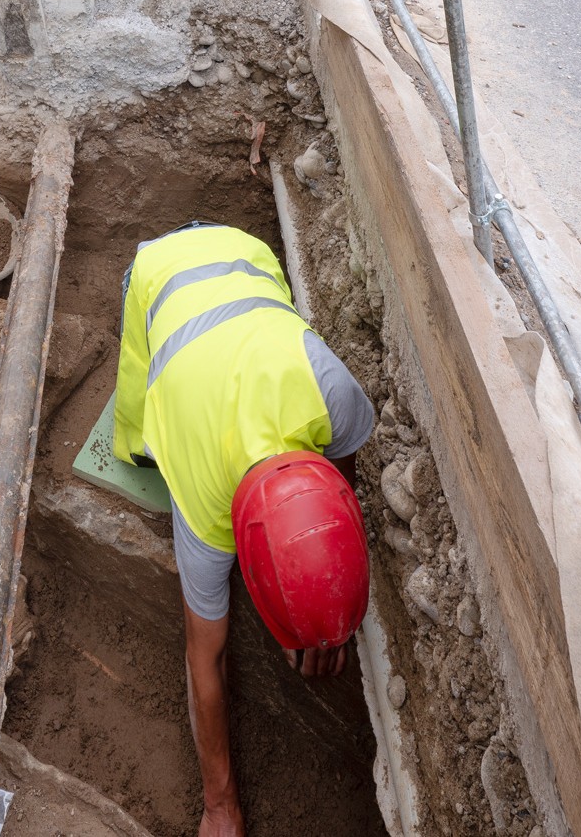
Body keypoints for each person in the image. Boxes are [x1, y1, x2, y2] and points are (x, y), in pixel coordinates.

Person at [113, 222, 374, 837]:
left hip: (247, 249)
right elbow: (205, 658)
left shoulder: (335, 392)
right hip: (154, 272)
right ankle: (134, 439)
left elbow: (342, 482)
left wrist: (310, 612)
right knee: (138, 436)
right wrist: (218, 805)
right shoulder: (204, 510)